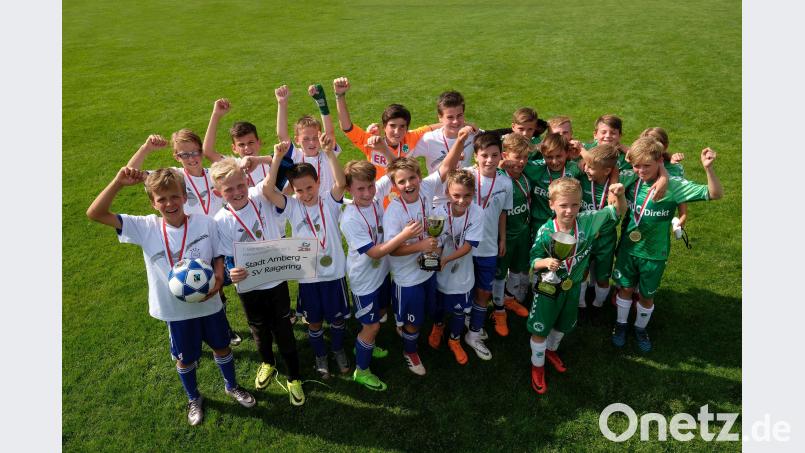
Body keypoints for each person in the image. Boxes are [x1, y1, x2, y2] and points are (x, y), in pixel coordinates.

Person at [86, 167, 256, 425]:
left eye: (175, 196)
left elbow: (219, 254)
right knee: (185, 358)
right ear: (152, 203)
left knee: (221, 346)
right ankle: (193, 397)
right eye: (161, 199)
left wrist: (219, 276)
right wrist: (118, 183)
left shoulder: (205, 223)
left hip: (210, 304)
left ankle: (231, 386)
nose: (169, 203)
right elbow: (95, 213)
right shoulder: (144, 227)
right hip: (174, 311)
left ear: (185, 196)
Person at [127, 131, 241, 345]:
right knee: (192, 286)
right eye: (184, 154)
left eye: (195, 152)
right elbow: (130, 174)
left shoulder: (212, 174)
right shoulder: (174, 177)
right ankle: (186, 342)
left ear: (201, 151)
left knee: (217, 288)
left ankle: (222, 328)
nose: (191, 158)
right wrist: (146, 148)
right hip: (189, 240)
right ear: (176, 157)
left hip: (215, 238)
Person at [611, 137, 723, 352]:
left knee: (647, 295)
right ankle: (621, 325)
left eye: (647, 166)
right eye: (636, 165)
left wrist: (708, 169)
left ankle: (640, 328)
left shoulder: (673, 186)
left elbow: (715, 194)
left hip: (654, 254)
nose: (641, 171)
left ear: (659, 162)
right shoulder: (629, 179)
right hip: (628, 249)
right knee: (624, 289)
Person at [209, 158, 305, 406]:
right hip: (248, 286)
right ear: (218, 192)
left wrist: (261, 160)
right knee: (258, 329)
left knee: (283, 328)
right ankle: (268, 363)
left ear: (247, 180)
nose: (237, 192)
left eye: (240, 185)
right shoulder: (220, 220)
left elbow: (287, 165)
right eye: (228, 189)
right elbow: (225, 255)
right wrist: (231, 272)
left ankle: (294, 377)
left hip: (275, 280)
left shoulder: (262, 194)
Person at [382, 124, 469, 375]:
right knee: (414, 321)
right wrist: (419, 245)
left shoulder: (426, 190)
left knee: (425, 313)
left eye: (412, 178)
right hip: (407, 278)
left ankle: (407, 326)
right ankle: (410, 351)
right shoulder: (394, 211)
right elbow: (391, 251)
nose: (408, 184)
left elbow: (446, 166)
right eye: (402, 181)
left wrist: (460, 140)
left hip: (428, 270)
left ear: (420, 177)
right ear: (395, 186)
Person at [262, 133, 351, 379]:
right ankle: (320, 355)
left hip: (334, 273)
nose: (306, 193)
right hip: (308, 276)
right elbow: (268, 191)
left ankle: (338, 349)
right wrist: (278, 158)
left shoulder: (329, 201)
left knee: (336, 320)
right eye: (299, 190)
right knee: (313, 322)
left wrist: (330, 153)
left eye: (310, 187)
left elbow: (341, 183)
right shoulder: (291, 205)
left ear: (318, 182)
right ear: (294, 190)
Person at [528, 177, 627, 395]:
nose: (569, 211)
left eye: (574, 205)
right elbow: (532, 261)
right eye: (563, 205)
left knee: (564, 325)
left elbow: (617, 212)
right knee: (540, 328)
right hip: (548, 289)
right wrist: (545, 262)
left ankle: (551, 351)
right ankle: (537, 366)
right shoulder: (546, 231)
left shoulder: (588, 220)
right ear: (552, 204)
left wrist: (619, 196)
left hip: (572, 288)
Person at [340, 160, 424, 390]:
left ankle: (365, 344)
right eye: (360, 189)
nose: (367, 193)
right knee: (373, 326)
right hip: (364, 281)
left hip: (382, 275)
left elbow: (395, 170)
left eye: (370, 186)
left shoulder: (375, 197)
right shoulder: (350, 219)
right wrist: (404, 234)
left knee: (380, 314)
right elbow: (375, 252)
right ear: (349, 189)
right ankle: (362, 371)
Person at [333, 77, 437, 185]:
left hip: (403, 198)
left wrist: (453, 123)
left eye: (402, 126)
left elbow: (433, 127)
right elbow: (347, 127)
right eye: (392, 126)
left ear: (407, 128)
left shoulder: (411, 137)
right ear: (384, 127)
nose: (397, 131)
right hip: (378, 198)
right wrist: (339, 96)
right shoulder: (372, 143)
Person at [429, 169, 483, 365]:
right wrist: (435, 255)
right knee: (439, 305)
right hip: (441, 270)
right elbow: (436, 241)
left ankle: (455, 339)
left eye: (467, 195)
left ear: (473, 194)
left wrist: (446, 259)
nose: (461, 200)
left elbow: (469, 246)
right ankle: (438, 326)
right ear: (447, 193)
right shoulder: (438, 213)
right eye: (456, 195)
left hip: (462, 270)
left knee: (460, 310)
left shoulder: (477, 212)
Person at [463, 132, 513, 343]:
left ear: (501, 155)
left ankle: (474, 332)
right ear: (476, 156)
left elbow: (503, 212)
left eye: (494, 155)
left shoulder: (505, 183)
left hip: (489, 247)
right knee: (464, 289)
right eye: (484, 155)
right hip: (464, 247)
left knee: (484, 292)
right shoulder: (465, 176)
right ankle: (465, 320)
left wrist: (502, 239)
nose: (490, 160)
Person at [275, 84, 343, 196]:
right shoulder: (295, 155)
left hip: (329, 209)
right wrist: (282, 103)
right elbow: (282, 136)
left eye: (315, 138)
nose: (311, 142)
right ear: (297, 140)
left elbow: (330, 133)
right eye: (306, 139)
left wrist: (322, 103)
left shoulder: (327, 154)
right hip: (303, 210)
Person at [493, 133, 533, 318]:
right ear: (505, 155)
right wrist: (498, 168)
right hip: (505, 235)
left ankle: (510, 298)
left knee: (518, 267)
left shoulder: (525, 177)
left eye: (525, 157)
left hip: (523, 232)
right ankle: (498, 305)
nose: (522, 161)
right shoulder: (498, 177)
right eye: (517, 157)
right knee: (501, 271)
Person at [410, 90, 476, 175]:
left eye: (459, 115)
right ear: (440, 118)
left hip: (465, 187)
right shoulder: (429, 140)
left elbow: (495, 141)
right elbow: (403, 157)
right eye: (450, 117)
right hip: (437, 188)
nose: (455, 121)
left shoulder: (472, 134)